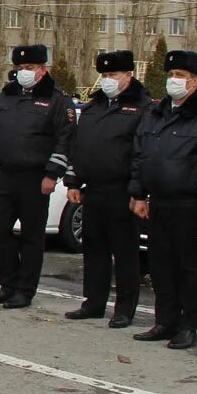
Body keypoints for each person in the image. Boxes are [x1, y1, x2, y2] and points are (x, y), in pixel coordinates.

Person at [129, 50, 197, 350]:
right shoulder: (155, 112)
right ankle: (164, 321)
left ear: (196, 80)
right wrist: (138, 193)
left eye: (180, 76)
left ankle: (188, 325)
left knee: (190, 267)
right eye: (171, 75)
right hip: (159, 201)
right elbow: (141, 155)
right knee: (161, 264)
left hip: (190, 203)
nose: (173, 81)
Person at [0, 45, 76, 309]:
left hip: (36, 178)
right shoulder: (6, 96)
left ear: (43, 70)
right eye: (20, 68)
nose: (24, 73)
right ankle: (7, 284)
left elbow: (65, 140)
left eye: (29, 68)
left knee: (32, 237)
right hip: (7, 175)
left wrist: (53, 174)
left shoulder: (57, 100)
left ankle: (24, 290)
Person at [63, 51, 147, 328]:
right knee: (94, 249)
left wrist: (138, 192)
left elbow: (141, 153)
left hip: (122, 190)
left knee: (124, 252)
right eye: (105, 75)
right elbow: (79, 146)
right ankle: (94, 302)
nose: (108, 80)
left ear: (129, 76)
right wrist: (73, 181)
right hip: (94, 189)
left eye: (114, 75)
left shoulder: (142, 107)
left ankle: (124, 308)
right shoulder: (93, 107)